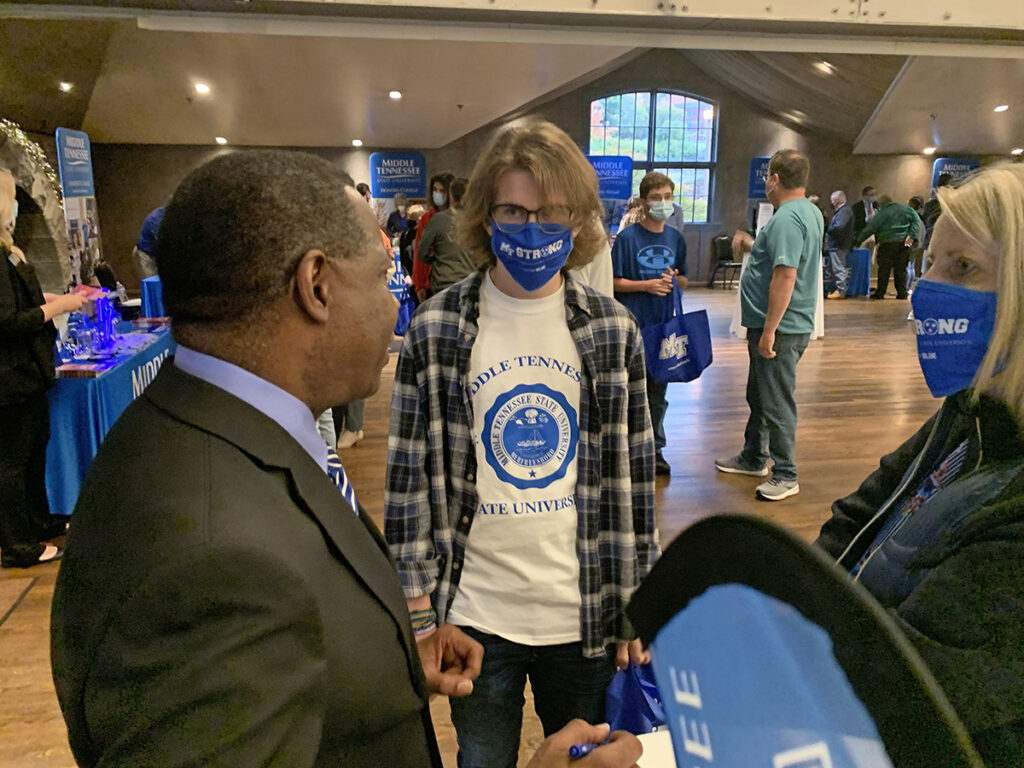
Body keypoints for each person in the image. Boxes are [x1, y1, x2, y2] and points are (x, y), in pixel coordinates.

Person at [50, 150, 640, 768]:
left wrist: (380, 650)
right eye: (382, 277)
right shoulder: (207, 557)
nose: (394, 309)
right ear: (317, 286)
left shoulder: (220, 435)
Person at [385, 119, 658, 768]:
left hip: (583, 616)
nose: (532, 227)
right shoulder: (440, 325)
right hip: (476, 617)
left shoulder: (612, 329)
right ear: (485, 214)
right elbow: (410, 480)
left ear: (577, 220)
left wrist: (636, 604)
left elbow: (632, 479)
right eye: (513, 210)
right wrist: (422, 614)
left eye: (551, 212)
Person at [814, 163, 1024, 767]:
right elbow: (858, 513)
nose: (928, 287)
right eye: (930, 262)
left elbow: (917, 687)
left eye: (964, 269)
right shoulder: (973, 413)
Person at [714, 149, 823, 501]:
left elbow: (786, 274)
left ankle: (786, 473)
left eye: (767, 178)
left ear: (775, 179)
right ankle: (753, 456)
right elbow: (780, 256)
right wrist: (752, 244)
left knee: (776, 401)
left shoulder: (789, 218)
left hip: (782, 328)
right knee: (759, 395)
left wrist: (771, 330)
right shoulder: (807, 212)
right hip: (778, 325)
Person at [0, 169, 86, 568]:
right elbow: (8, 322)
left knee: (34, 452)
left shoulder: (9, 249)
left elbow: (23, 299)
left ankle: (38, 522)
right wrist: (58, 308)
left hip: (29, 375)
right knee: (11, 464)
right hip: (8, 377)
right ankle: (19, 545)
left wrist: (63, 297)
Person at [612, 171, 688, 476]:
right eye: (656, 198)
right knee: (632, 390)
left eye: (668, 197)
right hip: (633, 325)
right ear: (644, 202)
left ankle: (655, 448)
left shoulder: (676, 238)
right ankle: (629, 447)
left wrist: (674, 280)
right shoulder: (628, 239)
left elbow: (684, 278)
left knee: (659, 392)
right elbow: (614, 282)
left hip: (664, 326)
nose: (663, 203)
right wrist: (646, 285)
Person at [857, 194, 924, 301]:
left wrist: (858, 241)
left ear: (881, 204)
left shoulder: (883, 213)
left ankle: (880, 293)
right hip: (903, 244)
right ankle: (902, 293)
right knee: (901, 270)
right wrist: (910, 235)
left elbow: (871, 228)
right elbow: (916, 221)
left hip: (887, 244)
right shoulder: (906, 209)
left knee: (884, 270)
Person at [417, 177, 476, 294]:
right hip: (472, 282)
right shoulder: (477, 221)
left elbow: (421, 252)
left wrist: (436, 257)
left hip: (444, 283)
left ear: (451, 196)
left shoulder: (438, 220)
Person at [412, 171, 453, 301]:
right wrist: (419, 285)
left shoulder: (459, 218)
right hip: (432, 283)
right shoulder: (427, 218)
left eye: (442, 190)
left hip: (454, 279)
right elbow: (419, 252)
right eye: (435, 190)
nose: (438, 193)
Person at [825, 190, 855, 299]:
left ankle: (841, 291)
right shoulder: (843, 211)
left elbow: (839, 226)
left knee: (839, 268)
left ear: (836, 200)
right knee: (838, 267)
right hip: (838, 244)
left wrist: (829, 229)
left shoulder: (844, 211)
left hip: (838, 244)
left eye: (832, 200)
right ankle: (839, 289)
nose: (831, 203)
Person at [132, 205, 164, 279]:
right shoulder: (156, 218)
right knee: (152, 283)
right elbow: (163, 242)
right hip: (145, 255)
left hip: (155, 255)